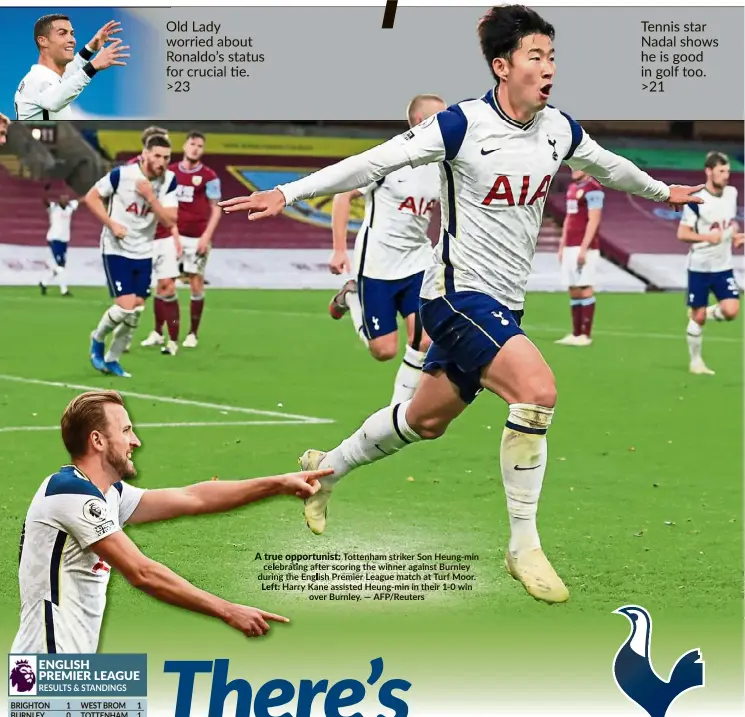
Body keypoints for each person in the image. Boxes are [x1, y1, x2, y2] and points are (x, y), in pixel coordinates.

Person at [219, 4, 703, 605]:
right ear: (502, 66)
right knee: (538, 390)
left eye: (552, 56)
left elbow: (608, 167)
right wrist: (289, 190)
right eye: (536, 56)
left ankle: (323, 470)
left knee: (422, 422)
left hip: (503, 304)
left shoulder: (559, 129)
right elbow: (375, 161)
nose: (549, 67)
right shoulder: (461, 124)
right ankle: (523, 545)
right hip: (453, 295)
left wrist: (664, 190)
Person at [11, 390, 332, 654]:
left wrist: (278, 483)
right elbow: (142, 573)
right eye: (125, 431)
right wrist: (227, 609)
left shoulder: (107, 494)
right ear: (97, 440)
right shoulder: (71, 493)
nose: (135, 441)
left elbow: (194, 498)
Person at [328, 94, 444, 404]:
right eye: (440, 117)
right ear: (420, 121)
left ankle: (397, 414)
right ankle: (351, 296)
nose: (447, 124)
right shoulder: (387, 158)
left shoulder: (442, 164)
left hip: (418, 262)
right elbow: (341, 197)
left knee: (423, 340)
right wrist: (339, 250)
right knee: (384, 351)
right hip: (377, 263)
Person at [85, 134, 178, 377]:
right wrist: (111, 224)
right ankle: (97, 338)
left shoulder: (169, 181)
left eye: (166, 157)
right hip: (116, 247)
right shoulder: (122, 174)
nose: (162, 162)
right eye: (157, 156)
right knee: (125, 307)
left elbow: (169, 220)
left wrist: (150, 197)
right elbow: (91, 197)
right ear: (145, 154)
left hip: (144, 250)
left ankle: (113, 360)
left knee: (136, 311)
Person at [140, 131, 222, 352]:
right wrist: (172, 232)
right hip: (171, 234)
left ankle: (192, 334)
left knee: (195, 283)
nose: (196, 148)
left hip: (197, 238)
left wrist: (207, 236)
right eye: (192, 144)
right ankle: (158, 332)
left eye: (200, 146)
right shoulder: (171, 172)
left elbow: (216, 209)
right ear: (184, 146)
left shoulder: (209, 176)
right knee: (163, 284)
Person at [678, 151, 743, 375]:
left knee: (732, 310)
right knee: (698, 317)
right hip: (700, 266)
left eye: (728, 171)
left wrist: (736, 235)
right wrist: (707, 238)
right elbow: (683, 233)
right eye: (721, 171)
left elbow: (730, 222)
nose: (726, 176)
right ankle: (696, 362)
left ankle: (703, 313)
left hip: (723, 265)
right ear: (709, 171)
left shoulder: (732, 194)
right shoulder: (696, 201)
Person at [15, 16, 128, 120]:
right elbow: (55, 101)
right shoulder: (38, 79)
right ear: (43, 41)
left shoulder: (45, 75)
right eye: (62, 33)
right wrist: (93, 66)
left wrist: (90, 49)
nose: (72, 40)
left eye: (71, 33)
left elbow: (66, 78)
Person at [555, 169, 604, 346]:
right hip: (570, 243)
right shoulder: (572, 188)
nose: (573, 170)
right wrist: (562, 244)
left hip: (585, 246)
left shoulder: (594, 188)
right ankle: (576, 333)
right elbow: (568, 218)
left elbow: (594, 219)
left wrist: (584, 247)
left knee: (585, 285)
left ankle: (586, 335)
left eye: (578, 166)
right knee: (573, 288)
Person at [40, 189, 78, 297]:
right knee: (60, 267)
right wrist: (46, 191)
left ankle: (44, 283)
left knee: (60, 267)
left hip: (64, 240)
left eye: (67, 198)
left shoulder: (70, 208)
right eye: (63, 198)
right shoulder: (54, 208)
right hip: (54, 239)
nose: (65, 200)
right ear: (59, 199)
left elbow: (81, 201)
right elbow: (44, 201)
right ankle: (64, 290)